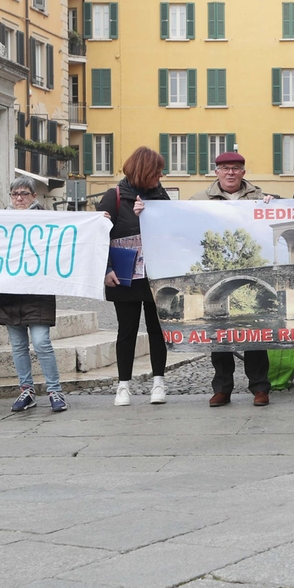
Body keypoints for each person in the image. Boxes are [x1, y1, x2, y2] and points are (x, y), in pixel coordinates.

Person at [191, 151, 274, 407]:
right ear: (216, 172)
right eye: (225, 168)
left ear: (243, 172)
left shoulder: (260, 197)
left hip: (250, 267)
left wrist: (275, 204)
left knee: (255, 332)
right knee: (219, 332)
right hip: (215, 268)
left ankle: (260, 388)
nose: (230, 172)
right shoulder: (198, 200)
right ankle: (222, 389)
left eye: (236, 168)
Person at [98, 147, 172, 407]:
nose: (161, 175)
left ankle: (159, 383)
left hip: (156, 276)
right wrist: (106, 270)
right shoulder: (113, 197)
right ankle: (123, 386)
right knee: (126, 331)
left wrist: (150, 215)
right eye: (157, 171)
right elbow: (99, 237)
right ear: (144, 172)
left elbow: (172, 230)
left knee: (157, 330)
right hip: (124, 276)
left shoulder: (161, 197)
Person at [0, 179, 66, 412]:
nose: (19, 198)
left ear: (34, 196)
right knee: (18, 345)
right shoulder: (0, 220)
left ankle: (54, 391)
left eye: (24, 193)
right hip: (9, 292)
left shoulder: (47, 218)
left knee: (42, 342)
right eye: (14, 194)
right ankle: (27, 391)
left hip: (37, 291)